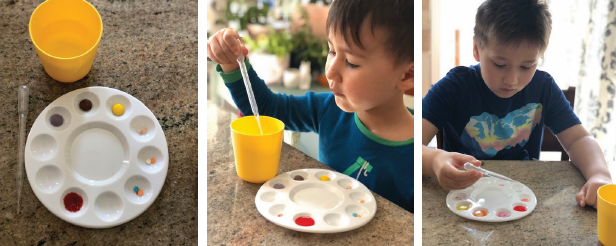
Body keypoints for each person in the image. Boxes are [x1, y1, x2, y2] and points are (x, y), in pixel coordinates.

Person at [207, 0, 414, 212]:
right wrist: (232, 63)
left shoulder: (421, 155)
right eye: (332, 51)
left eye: (351, 62)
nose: (330, 71)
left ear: (407, 75)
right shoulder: (328, 110)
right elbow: (265, 108)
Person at [422, 0, 611, 208]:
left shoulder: (543, 87)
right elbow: (411, 145)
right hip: (464, 202)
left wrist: (599, 174)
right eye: (500, 64)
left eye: (526, 66)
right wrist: (434, 160)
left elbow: (578, 140)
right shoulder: (454, 87)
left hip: (522, 201)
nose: (512, 80)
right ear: (476, 49)